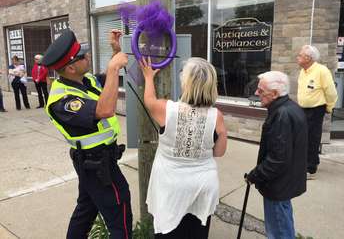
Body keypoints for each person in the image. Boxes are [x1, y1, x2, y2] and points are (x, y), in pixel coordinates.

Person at [41, 29, 132, 239]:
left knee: (86, 209)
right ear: (71, 67)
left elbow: (105, 86)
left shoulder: (85, 80)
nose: (88, 56)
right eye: (82, 56)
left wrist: (115, 52)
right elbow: (104, 110)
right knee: (120, 213)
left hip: (97, 161)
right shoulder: (61, 101)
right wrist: (113, 67)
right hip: (97, 164)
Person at [139, 57, 227, 238]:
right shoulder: (216, 116)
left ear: (186, 83)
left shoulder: (166, 109)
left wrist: (148, 77)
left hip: (171, 185)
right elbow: (219, 152)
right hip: (203, 184)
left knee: (169, 232)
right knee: (196, 233)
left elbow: (149, 100)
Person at [246, 71, 308, 239]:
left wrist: (255, 175)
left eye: (261, 90)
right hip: (284, 182)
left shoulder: (282, 115)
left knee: (278, 230)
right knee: (283, 222)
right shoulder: (288, 107)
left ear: (274, 94)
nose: (257, 93)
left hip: (278, 184)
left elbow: (277, 160)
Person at [297, 45, 338, 175]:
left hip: (316, 109)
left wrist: (330, 107)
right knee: (303, 137)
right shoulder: (303, 71)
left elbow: (331, 92)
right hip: (303, 109)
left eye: (300, 55)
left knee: (312, 138)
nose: (297, 57)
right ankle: (309, 161)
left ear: (308, 58)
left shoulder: (322, 70)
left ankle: (311, 169)